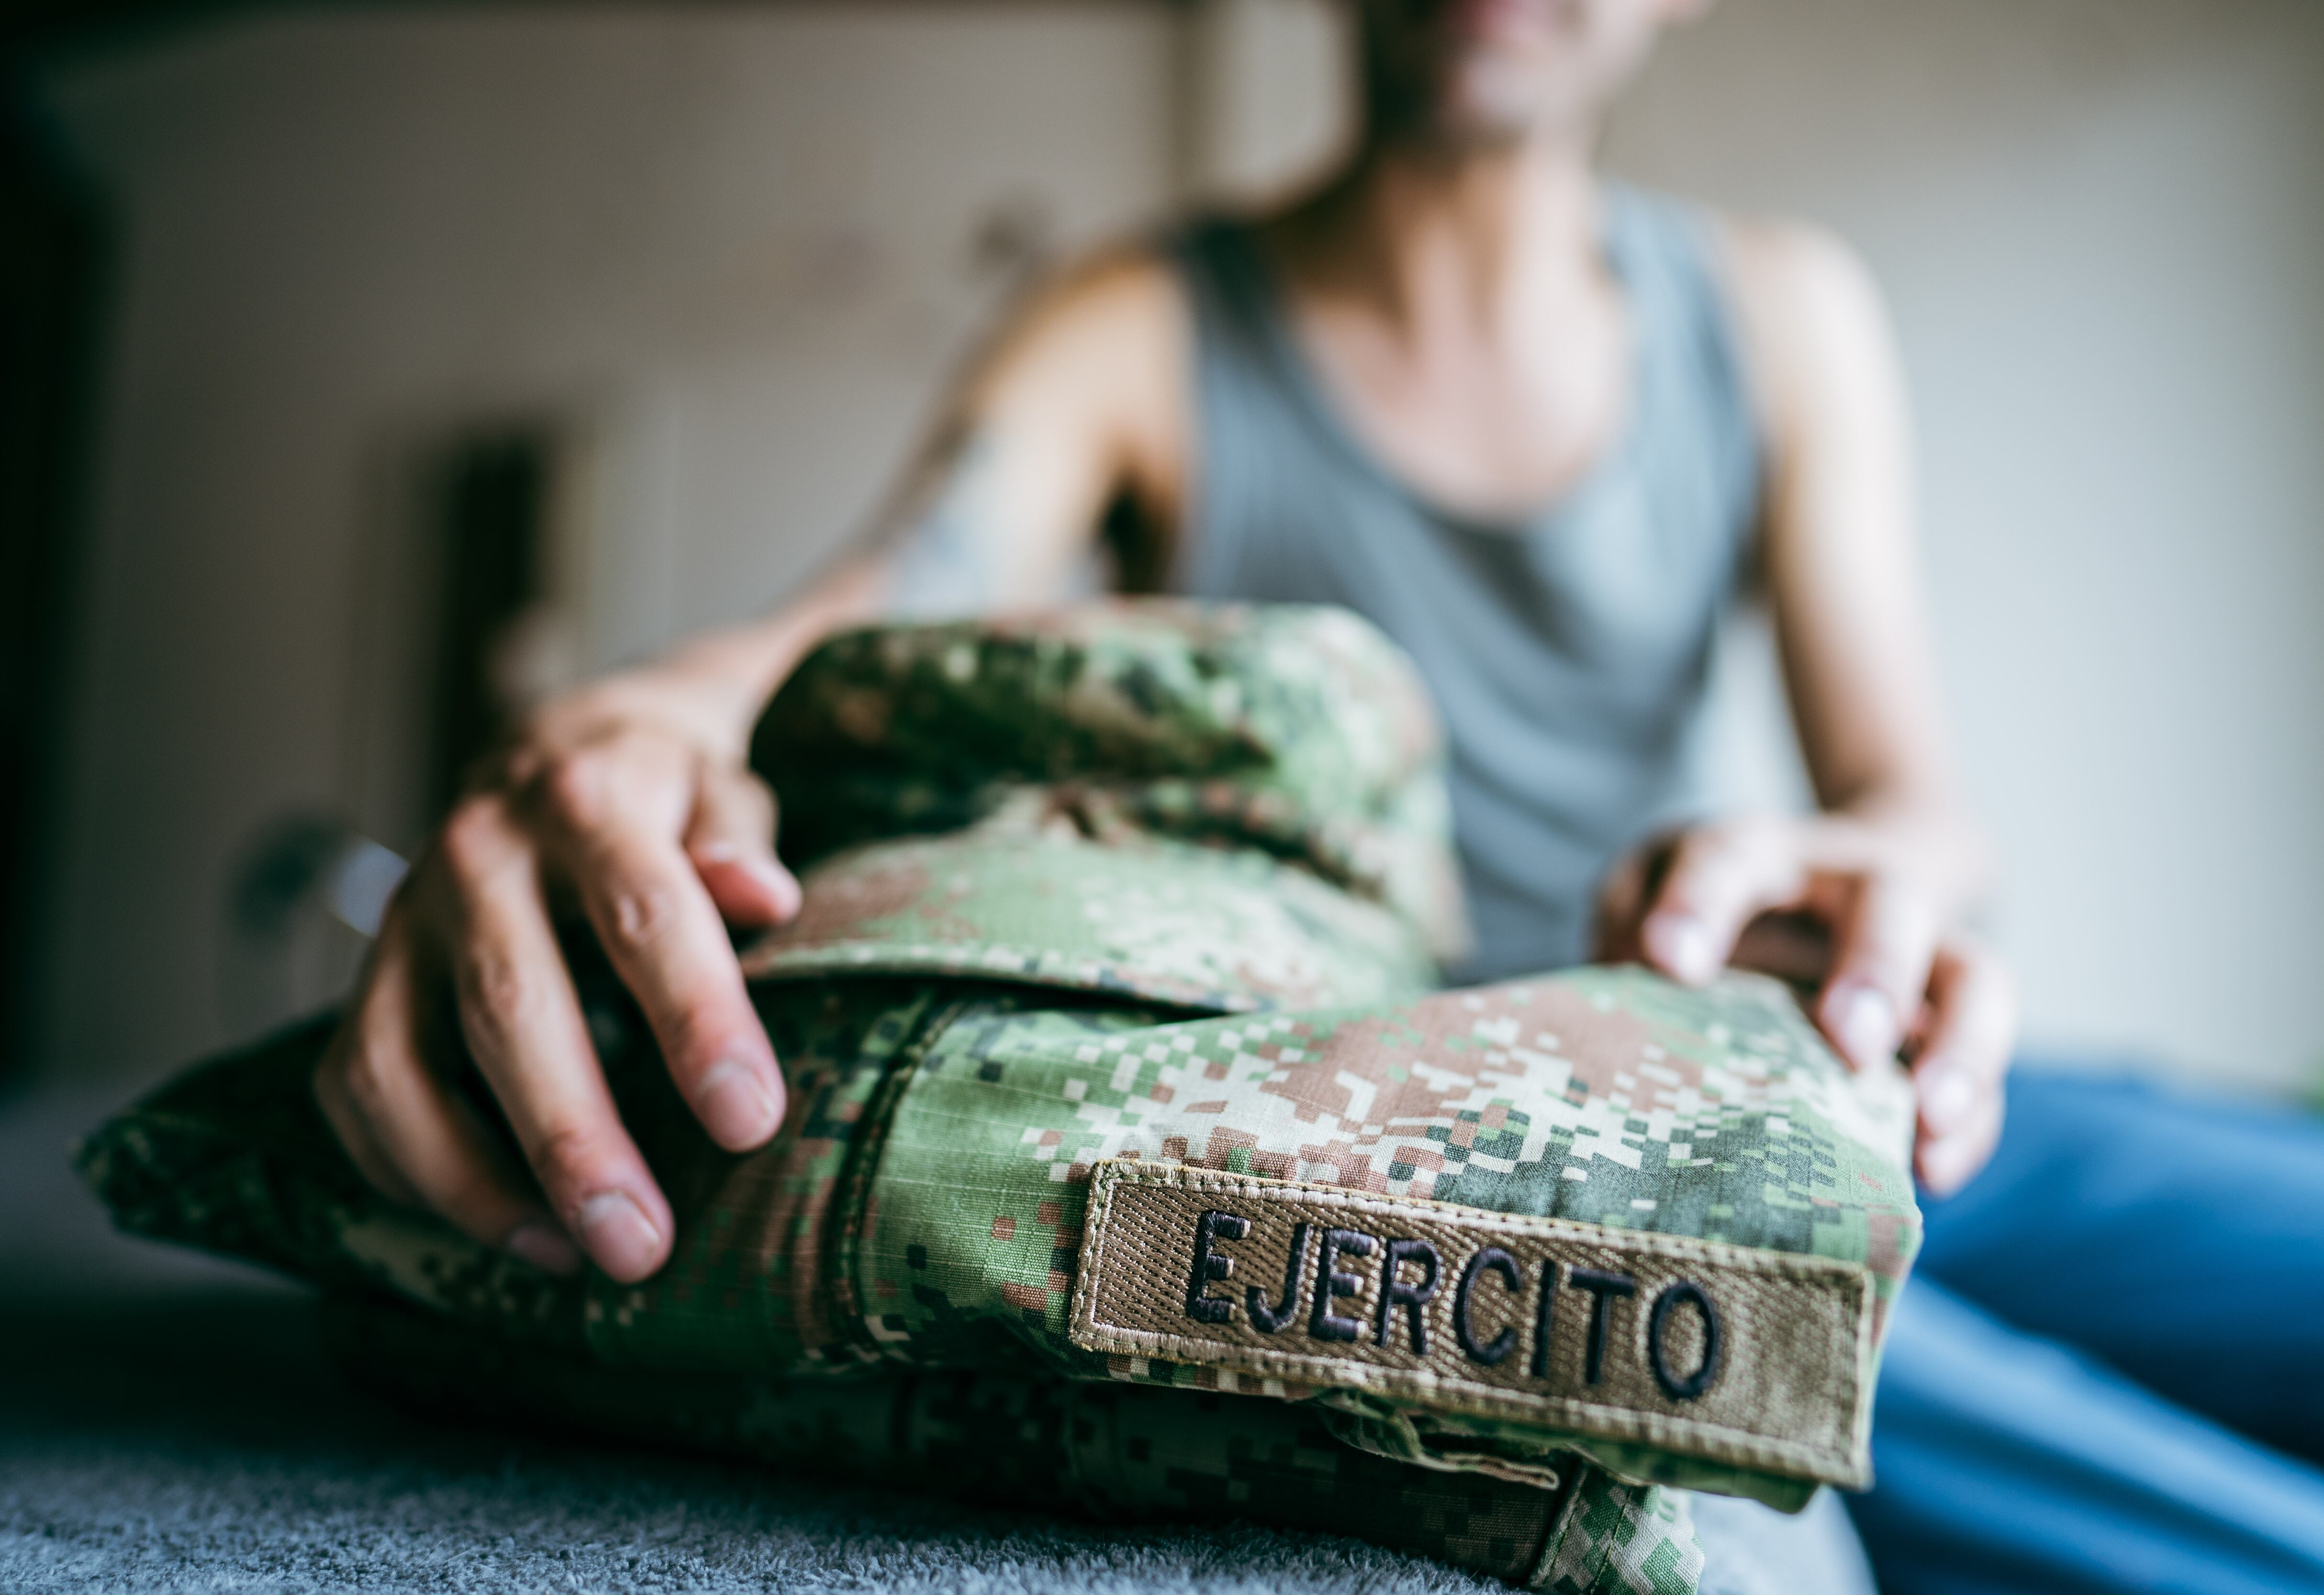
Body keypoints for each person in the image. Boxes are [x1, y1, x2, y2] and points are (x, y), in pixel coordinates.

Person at [310, 2, 2324, 1591]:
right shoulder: (1143, 327)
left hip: (1837, 1075)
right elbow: (862, 607)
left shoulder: (1776, 313)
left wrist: (1880, 882)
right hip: (1502, 1190)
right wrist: (637, 718)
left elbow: (1912, 800)